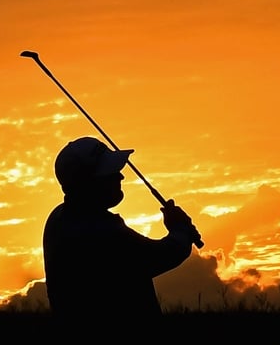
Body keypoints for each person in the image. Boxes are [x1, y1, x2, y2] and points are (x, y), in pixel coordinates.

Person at [43, 136, 197, 323]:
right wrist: (180, 231)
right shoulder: (102, 231)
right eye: (110, 172)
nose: (120, 176)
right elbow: (161, 255)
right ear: (89, 183)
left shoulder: (58, 218)